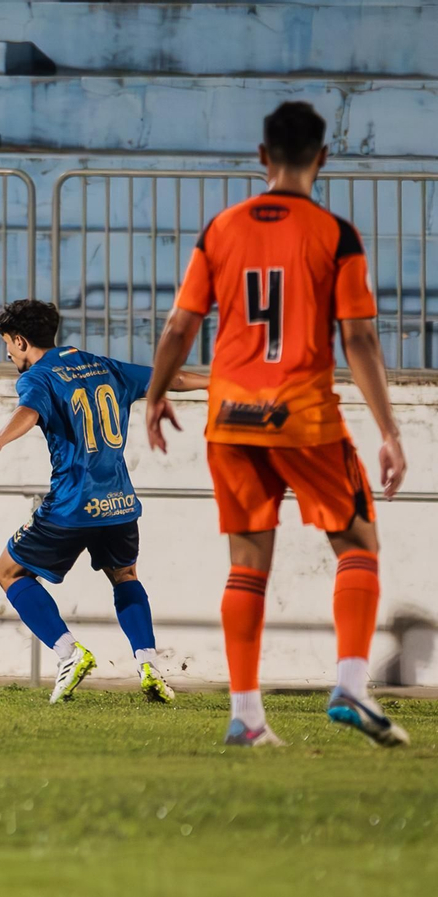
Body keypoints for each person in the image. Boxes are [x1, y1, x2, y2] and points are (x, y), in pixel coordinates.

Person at [145, 101, 408, 748]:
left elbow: (181, 326)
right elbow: (362, 340)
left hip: (229, 418)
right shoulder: (335, 233)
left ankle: (246, 714)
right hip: (303, 417)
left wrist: (154, 396)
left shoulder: (221, 228)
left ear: (262, 157)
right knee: (358, 543)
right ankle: (349, 681)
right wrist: (390, 432)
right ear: (322, 158)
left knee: (245, 565)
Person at [0, 300, 208, 703]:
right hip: (118, 503)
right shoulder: (104, 366)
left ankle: (69, 653)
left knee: (10, 572)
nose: (7, 353)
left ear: (21, 341)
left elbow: (28, 411)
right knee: (125, 576)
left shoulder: (38, 378)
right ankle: (149, 665)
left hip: (71, 504)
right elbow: (172, 378)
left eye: (8, 344)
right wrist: (221, 383)